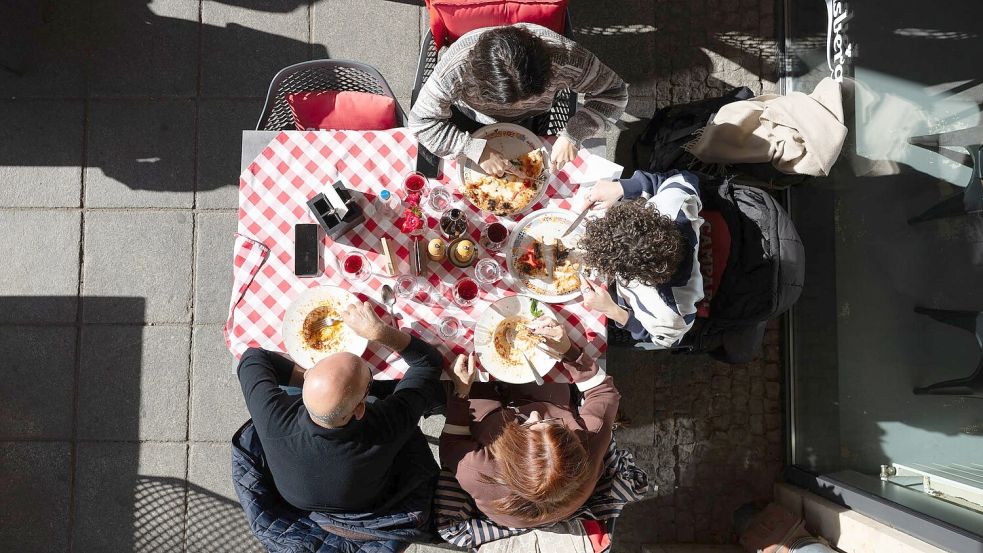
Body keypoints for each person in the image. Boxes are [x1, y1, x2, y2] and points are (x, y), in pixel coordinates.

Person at [236, 300, 445, 515]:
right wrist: (380, 332)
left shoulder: (272, 416)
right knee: (426, 390)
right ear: (359, 409)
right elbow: (428, 363)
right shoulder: (385, 429)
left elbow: (252, 358)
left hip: (296, 499)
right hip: (372, 502)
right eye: (369, 384)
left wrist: (320, 384)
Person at [440, 316, 619, 528]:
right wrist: (570, 352)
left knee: (469, 374)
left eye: (528, 426)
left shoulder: (479, 471)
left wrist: (460, 393)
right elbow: (604, 392)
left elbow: (452, 442)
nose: (535, 415)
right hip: (548, 402)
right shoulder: (589, 443)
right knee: (549, 370)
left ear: (509, 455)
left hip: (489, 425)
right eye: (553, 423)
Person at [409, 23, 628, 175]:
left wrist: (573, 134)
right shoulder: (455, 67)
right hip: (469, 115)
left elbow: (614, 92)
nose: (519, 105)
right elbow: (421, 122)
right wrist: (473, 149)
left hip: (533, 117)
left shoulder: (567, 58)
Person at [578, 170, 704, 348]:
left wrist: (614, 312)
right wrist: (621, 187)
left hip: (650, 308)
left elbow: (667, 340)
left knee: (613, 338)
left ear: (627, 275)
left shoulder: (670, 313)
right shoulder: (673, 203)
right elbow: (684, 178)